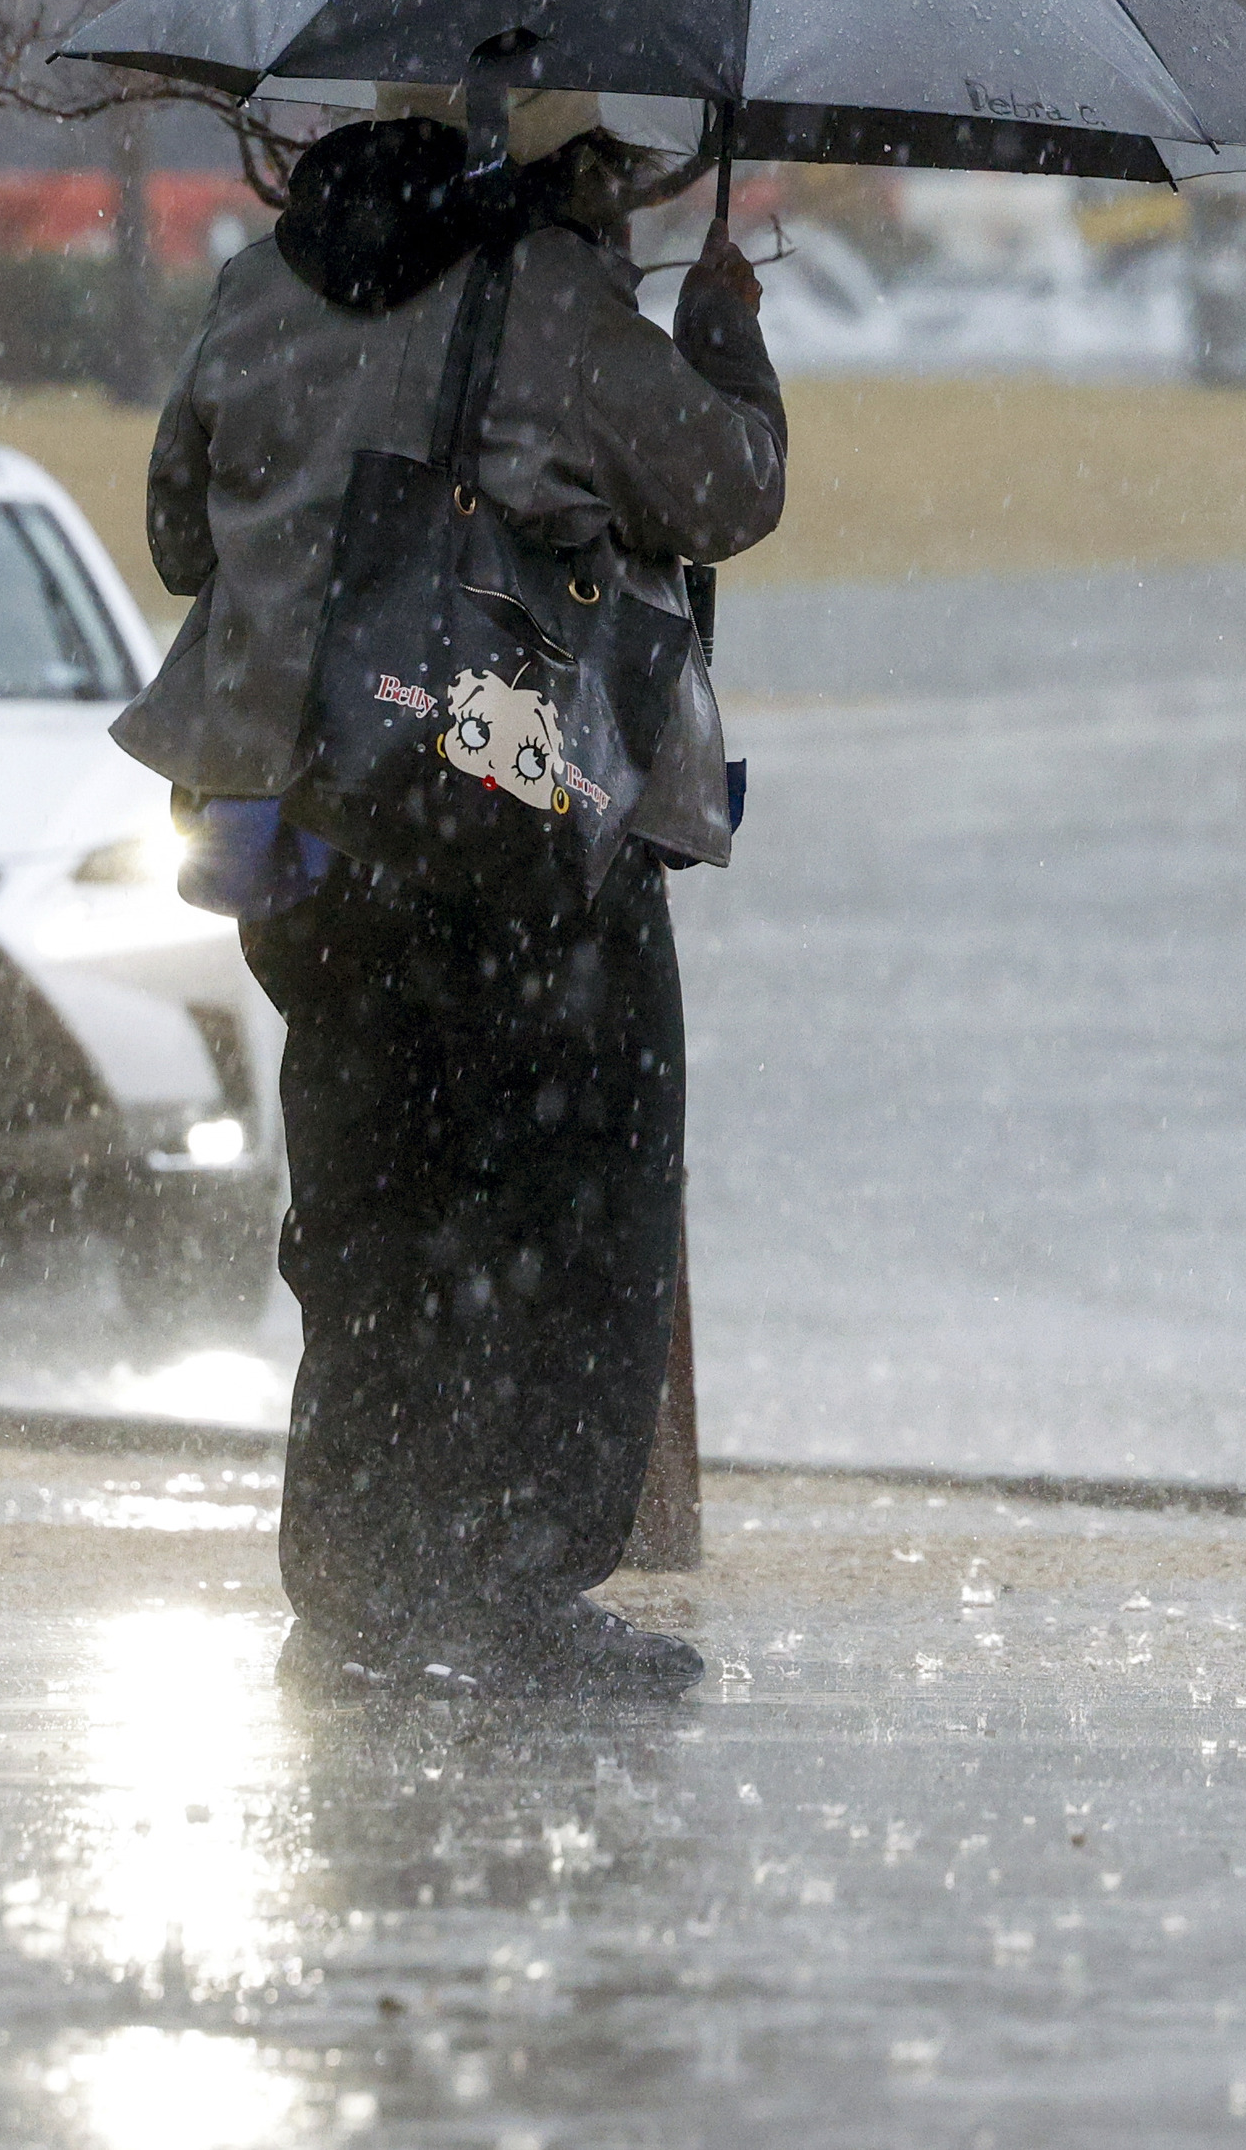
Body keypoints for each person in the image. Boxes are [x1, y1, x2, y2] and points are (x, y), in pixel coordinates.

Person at [117, 104, 783, 1700]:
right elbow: (729, 491)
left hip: (310, 839)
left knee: (369, 1211)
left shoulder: (257, 290)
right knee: (569, 1206)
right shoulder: (556, 307)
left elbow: (174, 532)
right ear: (571, 174)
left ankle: (353, 1591)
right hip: (515, 833)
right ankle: (510, 1589)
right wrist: (724, 338)